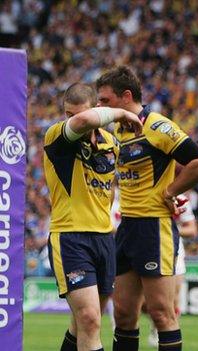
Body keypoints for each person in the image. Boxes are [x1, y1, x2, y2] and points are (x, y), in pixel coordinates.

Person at [95, 66, 198, 351]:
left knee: (161, 313)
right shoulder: (117, 132)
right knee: (123, 315)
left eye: (105, 101)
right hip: (127, 228)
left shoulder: (157, 126)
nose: (100, 107)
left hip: (154, 227)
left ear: (126, 97)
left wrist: (171, 191)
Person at [44, 83, 142, 351]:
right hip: (70, 237)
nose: (72, 121)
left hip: (103, 238)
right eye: (68, 114)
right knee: (89, 320)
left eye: (76, 114)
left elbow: (109, 189)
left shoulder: (111, 143)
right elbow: (84, 121)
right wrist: (122, 114)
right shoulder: (57, 137)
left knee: (81, 324)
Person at [149, 192, 198, 348]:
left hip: (174, 252)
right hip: (146, 250)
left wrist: (168, 229)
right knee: (147, 303)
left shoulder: (180, 198)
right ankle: (155, 325)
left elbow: (192, 230)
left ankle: (168, 337)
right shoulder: (143, 192)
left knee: (172, 302)